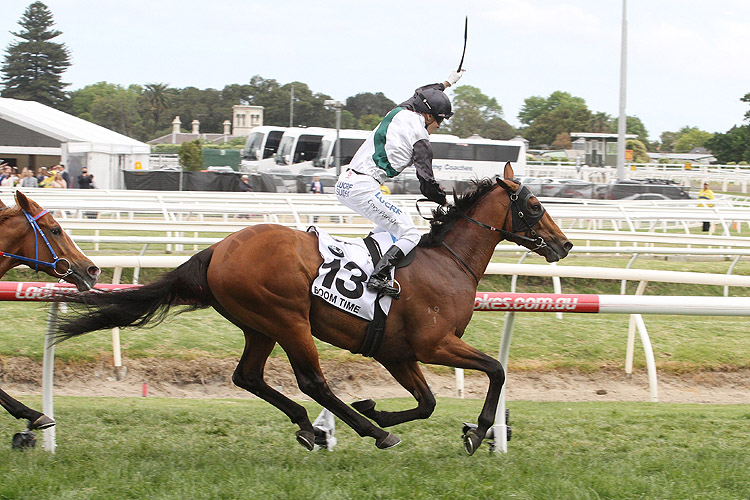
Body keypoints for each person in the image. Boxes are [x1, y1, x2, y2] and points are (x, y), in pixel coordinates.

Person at [334, 69, 465, 298]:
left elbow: (422, 93)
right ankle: (378, 278)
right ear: (428, 116)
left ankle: (362, 265)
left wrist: (447, 83)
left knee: (388, 229)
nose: (440, 126)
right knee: (410, 234)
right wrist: (443, 200)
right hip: (362, 188)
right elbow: (426, 183)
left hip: (347, 182)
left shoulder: (400, 110)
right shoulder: (421, 139)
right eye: (440, 120)